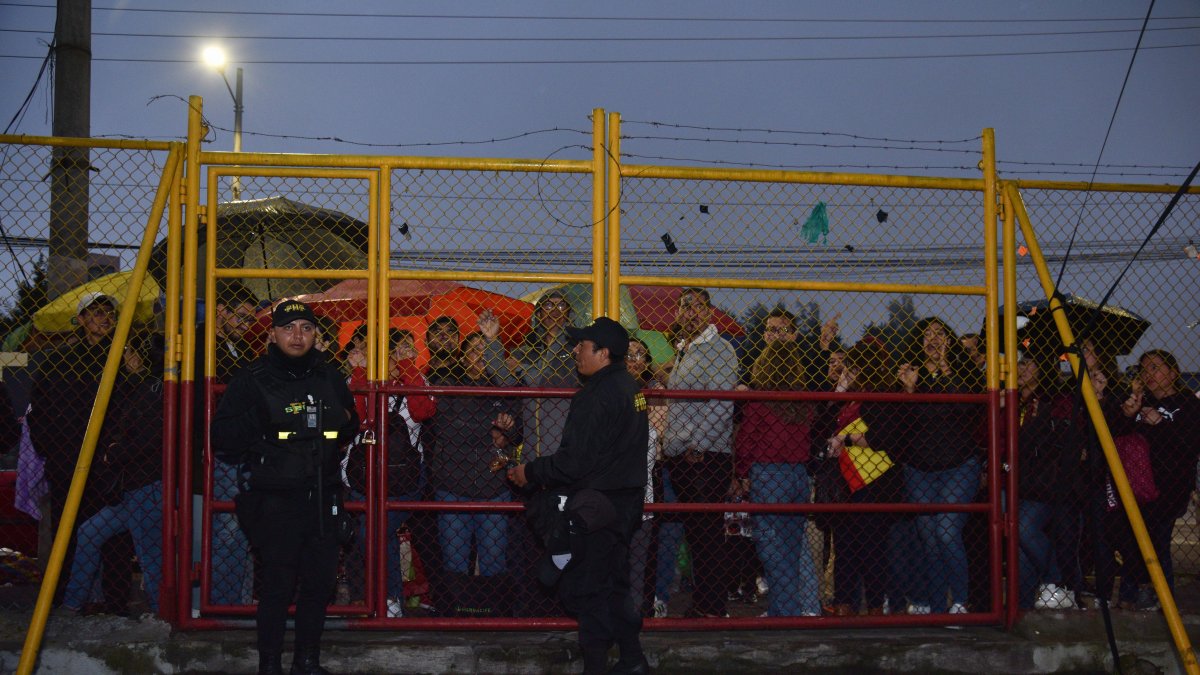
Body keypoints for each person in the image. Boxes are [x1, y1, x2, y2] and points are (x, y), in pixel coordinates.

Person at [211, 300, 359, 675]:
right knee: (277, 586)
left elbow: (349, 424)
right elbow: (222, 437)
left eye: (306, 328)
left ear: (316, 335)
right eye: (289, 327)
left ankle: (307, 661)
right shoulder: (253, 377)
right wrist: (262, 418)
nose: (297, 335)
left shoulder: (328, 374)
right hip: (275, 497)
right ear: (272, 334)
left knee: (319, 584)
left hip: (323, 495)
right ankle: (270, 665)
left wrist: (329, 424)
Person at [507, 317, 650, 675]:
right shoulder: (629, 388)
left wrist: (530, 471)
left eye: (581, 345)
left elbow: (574, 462)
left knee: (591, 590)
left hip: (597, 505)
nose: (574, 351)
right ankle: (632, 660)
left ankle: (598, 666)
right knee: (614, 584)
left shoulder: (596, 395)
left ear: (602, 353)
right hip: (624, 502)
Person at [866, 317, 981, 615]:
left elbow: (967, 408)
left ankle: (959, 600)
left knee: (946, 531)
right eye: (926, 334)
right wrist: (907, 393)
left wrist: (946, 367)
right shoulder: (909, 376)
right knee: (929, 539)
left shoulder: (963, 371)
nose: (932, 339)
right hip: (919, 468)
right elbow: (900, 429)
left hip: (958, 465)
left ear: (949, 340)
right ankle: (935, 606)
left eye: (940, 333)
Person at [28, 291, 133, 611]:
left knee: (111, 534)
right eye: (96, 312)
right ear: (82, 319)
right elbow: (39, 411)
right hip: (67, 460)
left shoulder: (121, 357)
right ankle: (66, 596)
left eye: (108, 313)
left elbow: (133, 407)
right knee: (68, 530)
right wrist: (52, 450)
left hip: (104, 462)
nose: (104, 318)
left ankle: (113, 598)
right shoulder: (59, 359)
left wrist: (133, 370)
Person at [61, 332, 165, 615]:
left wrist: (115, 452)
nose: (125, 357)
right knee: (89, 533)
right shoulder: (140, 386)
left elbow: (149, 437)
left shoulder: (154, 389)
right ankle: (72, 603)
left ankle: (162, 613)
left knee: (149, 555)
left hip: (146, 485)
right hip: (132, 487)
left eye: (131, 352)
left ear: (143, 357)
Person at [425, 313, 521, 611]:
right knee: (455, 559)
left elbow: (518, 428)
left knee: (494, 559)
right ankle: (455, 614)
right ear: (462, 357)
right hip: (453, 484)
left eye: (486, 350)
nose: (480, 356)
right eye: (474, 350)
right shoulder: (448, 384)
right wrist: (492, 431)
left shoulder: (505, 386)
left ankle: (492, 616)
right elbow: (447, 428)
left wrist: (508, 433)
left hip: (494, 487)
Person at [345, 328, 436, 617]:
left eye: (409, 348)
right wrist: (360, 372)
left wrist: (408, 368)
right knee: (367, 532)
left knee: (377, 529)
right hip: (363, 473)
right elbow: (358, 419)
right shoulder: (358, 379)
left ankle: (388, 598)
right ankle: (379, 598)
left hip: (404, 476)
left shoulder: (417, 379)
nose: (404, 353)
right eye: (398, 349)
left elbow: (422, 411)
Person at [661, 287, 738, 618]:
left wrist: (700, 443)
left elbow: (722, 402)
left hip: (704, 457)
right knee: (697, 533)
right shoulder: (684, 350)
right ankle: (706, 604)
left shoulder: (719, 349)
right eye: (683, 307)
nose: (689, 313)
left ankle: (713, 607)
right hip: (684, 454)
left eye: (696, 307)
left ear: (709, 312)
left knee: (706, 534)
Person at [734, 340, 821, 617]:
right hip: (797, 474)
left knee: (771, 545)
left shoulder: (761, 400)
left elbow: (747, 439)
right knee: (793, 545)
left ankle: (785, 610)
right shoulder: (802, 400)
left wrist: (743, 472)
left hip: (770, 472)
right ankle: (797, 607)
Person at [1109, 349, 1199, 604]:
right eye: (1144, 368)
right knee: (1132, 544)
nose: (1148, 373)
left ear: (1173, 373)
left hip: (1168, 490)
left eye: (1155, 367)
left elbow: (1188, 445)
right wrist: (1128, 414)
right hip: (1133, 486)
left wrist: (1160, 423)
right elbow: (1118, 436)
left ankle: (1162, 600)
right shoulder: (1138, 399)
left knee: (1156, 544)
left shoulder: (1188, 403)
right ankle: (1131, 598)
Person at [819, 339, 901, 616]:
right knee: (845, 545)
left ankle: (875, 605)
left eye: (853, 367)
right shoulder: (849, 400)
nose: (848, 371)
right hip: (847, 479)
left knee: (870, 546)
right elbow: (822, 424)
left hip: (871, 481)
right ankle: (844, 603)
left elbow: (884, 437)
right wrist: (840, 389)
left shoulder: (883, 395)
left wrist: (847, 438)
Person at [196, 280, 260, 607]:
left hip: (239, 450)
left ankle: (236, 600)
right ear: (221, 311)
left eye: (251, 320)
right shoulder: (201, 344)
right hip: (219, 451)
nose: (246, 325)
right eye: (242, 317)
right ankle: (220, 604)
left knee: (239, 532)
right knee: (227, 532)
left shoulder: (241, 350)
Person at [624, 337, 664, 616]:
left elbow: (655, 438)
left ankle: (637, 616)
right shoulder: (607, 392)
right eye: (628, 354)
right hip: (613, 492)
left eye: (641, 355)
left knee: (641, 561)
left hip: (647, 482)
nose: (635, 360)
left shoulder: (654, 392)